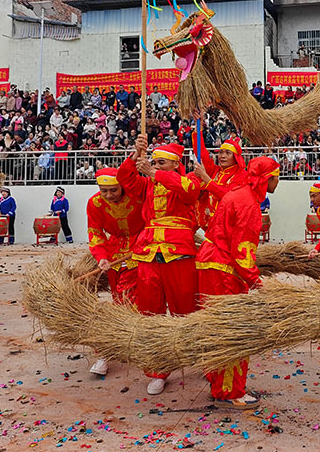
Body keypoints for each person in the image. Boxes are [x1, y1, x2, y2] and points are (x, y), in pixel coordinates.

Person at [117, 135, 201, 395]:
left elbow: (189, 192)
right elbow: (125, 179)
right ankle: (158, 370)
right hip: (148, 252)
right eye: (154, 161)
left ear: (176, 164)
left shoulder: (189, 180)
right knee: (150, 310)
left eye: (161, 162)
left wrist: (154, 172)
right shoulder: (148, 185)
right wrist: (136, 154)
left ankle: (198, 357)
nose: (156, 165)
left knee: (186, 306)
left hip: (179, 251)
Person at [195, 156, 280, 409]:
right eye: (277, 177)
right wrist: (258, 283)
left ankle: (216, 380)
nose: (278, 182)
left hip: (211, 264)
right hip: (224, 270)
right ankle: (230, 391)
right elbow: (241, 254)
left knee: (214, 327)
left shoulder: (237, 193)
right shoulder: (250, 206)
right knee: (233, 330)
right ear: (268, 179)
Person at [85, 167, 146, 376]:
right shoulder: (94, 203)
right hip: (113, 256)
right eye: (104, 191)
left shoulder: (139, 196)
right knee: (120, 299)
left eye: (113, 190)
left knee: (126, 301)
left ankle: (107, 350)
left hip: (141, 251)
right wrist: (101, 256)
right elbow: (95, 232)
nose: (109, 196)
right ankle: (124, 343)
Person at [192, 136, 248, 230]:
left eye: (228, 153)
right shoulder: (216, 170)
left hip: (229, 226)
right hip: (212, 224)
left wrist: (205, 178)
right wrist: (198, 129)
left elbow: (228, 196)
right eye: (221, 152)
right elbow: (202, 153)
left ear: (235, 157)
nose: (222, 156)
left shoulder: (242, 175)